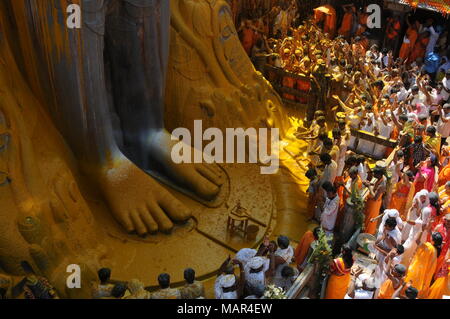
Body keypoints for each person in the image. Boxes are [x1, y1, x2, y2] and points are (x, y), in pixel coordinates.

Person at [405, 230, 442, 299]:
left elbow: (417, 241)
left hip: (417, 271)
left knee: (410, 286)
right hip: (425, 274)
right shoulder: (435, 251)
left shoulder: (428, 247)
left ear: (433, 240)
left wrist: (421, 230)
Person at [364, 167, 387, 235]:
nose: (373, 174)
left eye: (375, 173)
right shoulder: (381, 179)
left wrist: (368, 186)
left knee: (369, 219)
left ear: (379, 175)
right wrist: (370, 184)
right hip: (372, 202)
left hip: (373, 204)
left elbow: (375, 198)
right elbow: (376, 186)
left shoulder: (382, 185)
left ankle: (367, 233)